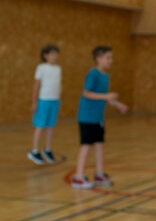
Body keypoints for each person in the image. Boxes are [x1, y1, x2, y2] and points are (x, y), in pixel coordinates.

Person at [71, 46, 128, 189]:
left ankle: (99, 174)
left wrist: (117, 104)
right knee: (86, 146)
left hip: (98, 118)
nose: (111, 60)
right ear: (98, 59)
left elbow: (103, 97)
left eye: (111, 57)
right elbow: (87, 93)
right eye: (108, 57)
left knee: (99, 145)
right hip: (86, 117)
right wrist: (106, 96)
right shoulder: (93, 74)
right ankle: (78, 177)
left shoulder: (105, 76)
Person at [28, 44, 61, 165]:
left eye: (56, 54)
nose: (55, 56)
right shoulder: (41, 67)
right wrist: (34, 102)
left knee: (50, 126)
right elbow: (36, 85)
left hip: (55, 101)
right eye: (52, 54)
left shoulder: (58, 68)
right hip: (44, 101)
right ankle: (34, 150)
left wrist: (57, 99)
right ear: (45, 55)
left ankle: (47, 149)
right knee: (40, 126)